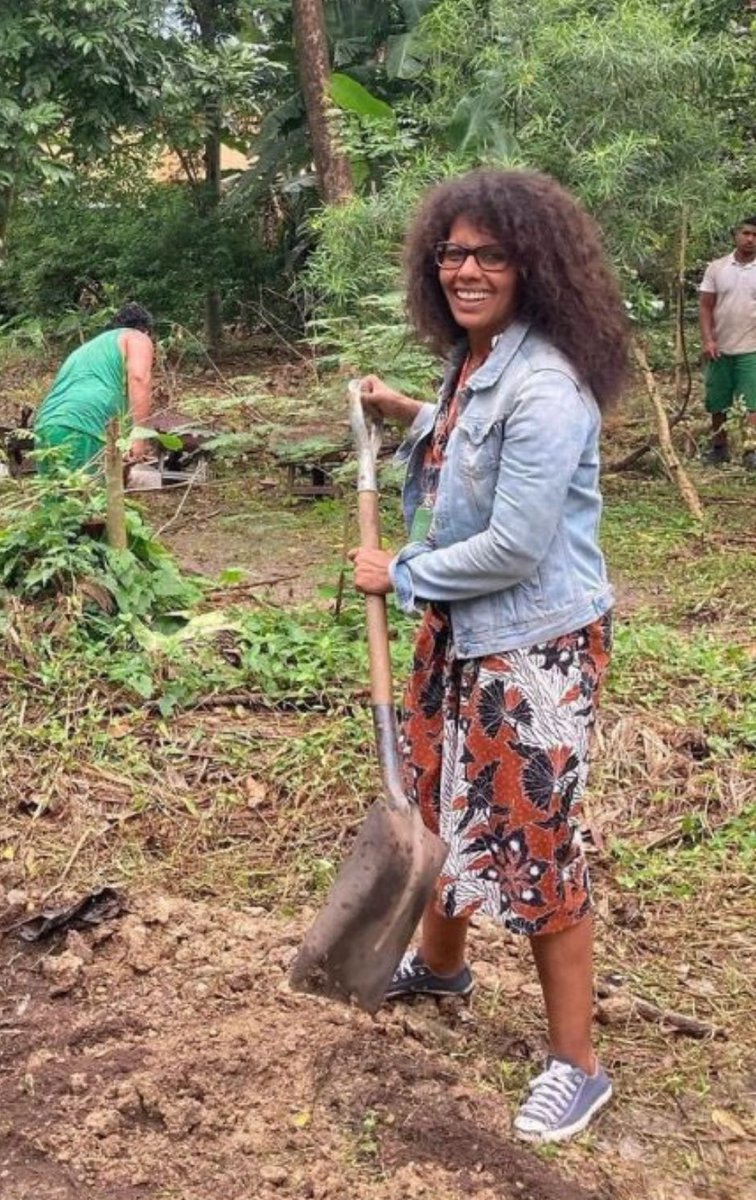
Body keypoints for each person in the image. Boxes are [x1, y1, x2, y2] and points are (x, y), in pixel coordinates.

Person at [349, 168, 629, 1144]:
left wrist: (403, 571)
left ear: (530, 265)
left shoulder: (547, 384)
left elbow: (513, 543)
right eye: (453, 253)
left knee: (532, 834)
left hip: (532, 649)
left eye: (489, 255)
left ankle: (577, 1065)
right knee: (437, 802)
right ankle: (443, 965)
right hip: (465, 637)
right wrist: (407, 413)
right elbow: (476, 450)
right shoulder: (478, 362)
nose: (466, 269)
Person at [34, 302, 156, 473]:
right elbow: (139, 378)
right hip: (83, 426)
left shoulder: (91, 348)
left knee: (56, 497)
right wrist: (139, 436)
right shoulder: (136, 337)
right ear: (146, 330)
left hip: (47, 425)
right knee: (87, 496)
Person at [699, 216, 756, 469]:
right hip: (720, 347)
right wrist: (708, 339)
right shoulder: (717, 268)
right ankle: (719, 448)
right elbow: (705, 305)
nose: (750, 239)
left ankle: (750, 450)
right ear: (736, 235)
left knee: (752, 402)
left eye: (755, 236)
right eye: (746, 233)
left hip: (752, 348)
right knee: (717, 400)